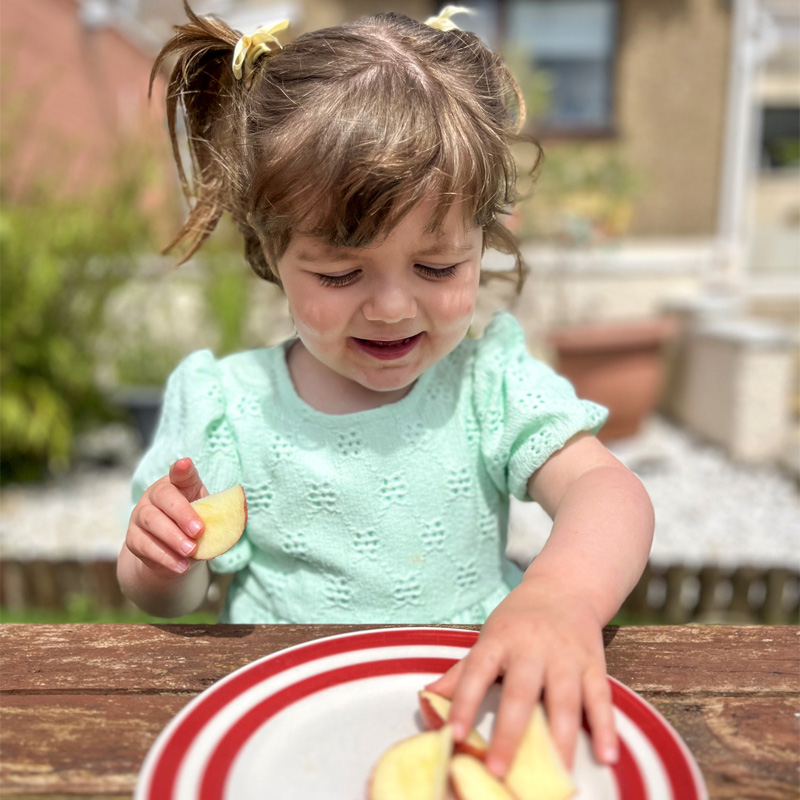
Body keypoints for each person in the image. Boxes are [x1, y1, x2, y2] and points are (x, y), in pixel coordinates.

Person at [117, 3, 654, 780]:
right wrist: (162, 560)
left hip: (466, 710)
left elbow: (609, 492)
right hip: (285, 726)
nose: (394, 307)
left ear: (483, 239)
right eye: (340, 274)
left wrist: (562, 596)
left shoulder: (486, 385)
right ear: (271, 250)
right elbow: (168, 600)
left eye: (437, 267)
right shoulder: (228, 404)